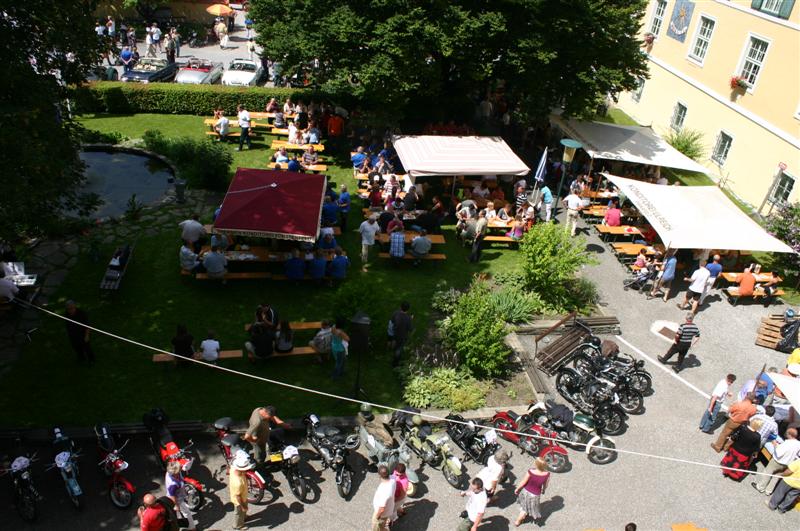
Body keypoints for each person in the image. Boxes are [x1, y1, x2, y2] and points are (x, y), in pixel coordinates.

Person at [755, 428, 800, 494]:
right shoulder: (798, 444)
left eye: (787, 433)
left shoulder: (787, 443)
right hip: (787, 464)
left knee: (767, 473)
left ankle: (760, 487)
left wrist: (775, 444)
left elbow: (779, 453)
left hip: (777, 461)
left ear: (790, 434)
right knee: (776, 477)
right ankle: (768, 491)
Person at [513, 457, 550, 526]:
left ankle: (520, 518)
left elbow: (523, 482)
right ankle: (518, 520)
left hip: (526, 491)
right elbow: (545, 485)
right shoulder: (547, 474)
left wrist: (517, 488)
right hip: (535, 494)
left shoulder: (530, 471)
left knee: (525, 505)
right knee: (527, 508)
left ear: (536, 464)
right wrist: (543, 490)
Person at [165, 460, 196, 531]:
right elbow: (172, 495)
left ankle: (180, 524)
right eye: (179, 471)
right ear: (174, 473)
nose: (180, 471)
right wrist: (176, 505)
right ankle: (192, 528)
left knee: (178, 514)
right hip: (177, 499)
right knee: (187, 513)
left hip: (178, 495)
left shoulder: (169, 472)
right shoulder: (173, 484)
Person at [229, 450, 253, 530]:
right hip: (239, 501)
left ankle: (244, 516)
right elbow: (238, 497)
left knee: (244, 509)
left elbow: (228, 468)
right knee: (238, 513)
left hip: (243, 496)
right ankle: (238, 526)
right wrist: (243, 506)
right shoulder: (238, 483)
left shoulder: (233, 468)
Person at [371, 464, 396, 531]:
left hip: (382, 514)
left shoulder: (384, 491)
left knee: (377, 528)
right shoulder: (393, 478)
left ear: (379, 475)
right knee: (381, 527)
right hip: (389, 508)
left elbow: (381, 509)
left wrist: (377, 517)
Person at [390, 302, 413, 367]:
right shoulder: (408, 318)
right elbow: (410, 329)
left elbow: (392, 321)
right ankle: (395, 363)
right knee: (399, 349)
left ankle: (393, 354)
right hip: (402, 336)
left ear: (400, 307)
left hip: (394, 333)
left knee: (395, 346)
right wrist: (411, 319)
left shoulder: (396, 313)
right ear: (408, 309)